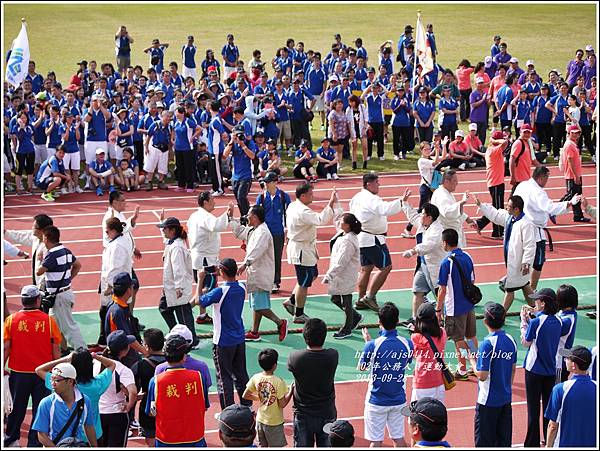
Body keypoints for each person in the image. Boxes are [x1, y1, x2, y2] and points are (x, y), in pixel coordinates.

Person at [3, 286, 62, 447]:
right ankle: (34, 443)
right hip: (42, 374)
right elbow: (56, 350)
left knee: (17, 408)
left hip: (18, 372)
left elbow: (6, 348)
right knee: (39, 409)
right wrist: (58, 371)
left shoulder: (11, 320)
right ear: (37, 300)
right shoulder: (49, 321)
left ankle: (10, 440)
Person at [196, 258, 250, 409]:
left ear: (223, 272)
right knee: (241, 373)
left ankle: (228, 409)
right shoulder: (242, 286)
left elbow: (198, 301)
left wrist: (200, 280)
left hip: (222, 341)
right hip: (239, 338)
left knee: (224, 377)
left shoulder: (220, 291)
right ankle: (247, 405)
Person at [514, 166, 581, 290]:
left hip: (520, 228)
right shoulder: (538, 192)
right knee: (537, 263)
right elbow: (549, 208)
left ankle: (507, 280)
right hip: (534, 232)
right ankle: (532, 290)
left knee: (520, 258)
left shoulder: (522, 185)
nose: (547, 181)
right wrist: (570, 203)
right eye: (547, 178)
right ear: (541, 178)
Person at [359, 302, 413, 447]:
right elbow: (406, 361)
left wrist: (367, 344)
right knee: (399, 439)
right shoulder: (408, 344)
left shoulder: (372, 345)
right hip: (398, 400)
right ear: (397, 321)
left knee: (376, 442)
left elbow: (362, 367)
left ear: (379, 322)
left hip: (376, 401)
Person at [35, 348, 117, 443]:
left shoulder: (63, 384)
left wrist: (66, 359)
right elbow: (111, 364)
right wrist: (95, 356)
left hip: (67, 439)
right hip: (94, 435)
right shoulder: (97, 385)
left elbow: (39, 370)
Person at [520, 287, 568, 447]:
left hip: (533, 370)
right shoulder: (560, 321)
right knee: (548, 409)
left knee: (533, 409)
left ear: (543, 303)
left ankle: (531, 444)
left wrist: (523, 322)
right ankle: (548, 441)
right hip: (550, 370)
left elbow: (526, 342)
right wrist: (533, 315)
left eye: (537, 300)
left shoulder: (535, 322)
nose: (534, 302)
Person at [231, 205, 288, 341]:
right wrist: (231, 218)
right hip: (255, 272)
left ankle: (280, 322)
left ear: (255, 217)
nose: (247, 217)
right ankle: (255, 331)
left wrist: (245, 263)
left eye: (249, 215)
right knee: (256, 304)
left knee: (260, 305)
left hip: (261, 272)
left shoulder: (263, 232)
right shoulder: (253, 229)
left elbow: (257, 250)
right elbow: (239, 233)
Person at [465, 302, 518, 447]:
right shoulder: (511, 340)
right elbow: (513, 369)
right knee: (503, 442)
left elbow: (482, 375)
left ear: (485, 321)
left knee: (484, 443)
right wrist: (506, 388)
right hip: (505, 399)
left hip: (487, 402)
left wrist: (472, 361)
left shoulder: (487, 344)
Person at [282, 183, 336, 323]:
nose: (313, 196)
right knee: (304, 282)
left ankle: (292, 300)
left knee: (312, 275)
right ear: (303, 195)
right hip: (302, 249)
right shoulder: (303, 211)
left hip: (303, 247)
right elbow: (321, 220)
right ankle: (299, 313)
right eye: (311, 194)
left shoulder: (293, 206)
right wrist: (330, 204)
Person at [349, 173, 402, 312]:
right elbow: (385, 209)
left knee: (366, 269)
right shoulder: (371, 199)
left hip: (362, 238)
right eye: (377, 182)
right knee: (386, 267)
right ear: (368, 184)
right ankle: (370, 296)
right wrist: (402, 201)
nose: (379, 184)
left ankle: (360, 300)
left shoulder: (356, 197)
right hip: (373, 239)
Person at [474, 194, 536, 311]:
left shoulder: (526, 224)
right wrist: (481, 205)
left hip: (519, 262)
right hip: (512, 260)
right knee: (524, 284)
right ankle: (534, 308)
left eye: (509, 206)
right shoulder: (509, 218)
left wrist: (526, 262)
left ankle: (501, 314)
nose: (507, 208)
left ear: (516, 209)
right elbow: (496, 215)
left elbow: (530, 246)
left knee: (510, 288)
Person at [146, 333, 209, 447]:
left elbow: (151, 412)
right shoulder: (198, 377)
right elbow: (204, 406)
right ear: (184, 356)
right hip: (194, 437)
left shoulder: (155, 381)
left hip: (166, 439)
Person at [287, 318, 338, 447]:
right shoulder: (332, 355)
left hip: (303, 414)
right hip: (326, 412)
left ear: (305, 336)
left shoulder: (295, 358)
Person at [436, 228, 478, 381]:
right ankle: (476, 363)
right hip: (469, 305)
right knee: (471, 336)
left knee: (458, 340)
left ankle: (463, 368)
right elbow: (472, 280)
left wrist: (438, 309)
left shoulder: (446, 263)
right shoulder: (468, 256)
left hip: (454, 308)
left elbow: (442, 289)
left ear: (445, 243)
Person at [187, 191, 234, 324]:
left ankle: (202, 315)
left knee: (201, 284)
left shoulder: (194, 216)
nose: (215, 201)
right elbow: (216, 225)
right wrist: (228, 213)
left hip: (198, 258)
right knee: (208, 289)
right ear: (205, 202)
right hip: (206, 259)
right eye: (212, 199)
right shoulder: (205, 217)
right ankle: (187, 306)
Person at [36, 225, 86, 351]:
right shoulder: (66, 251)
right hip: (64, 293)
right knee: (54, 325)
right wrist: (68, 279)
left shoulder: (51, 255)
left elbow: (39, 272)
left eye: (43, 239)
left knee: (69, 326)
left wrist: (40, 258)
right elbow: (78, 265)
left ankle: (82, 351)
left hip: (59, 297)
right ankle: (61, 349)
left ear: (47, 238)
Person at [400, 198, 445, 326]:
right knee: (418, 290)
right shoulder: (423, 224)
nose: (420, 215)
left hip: (435, 267)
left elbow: (428, 245)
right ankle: (416, 319)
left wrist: (413, 251)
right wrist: (405, 203)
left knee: (440, 295)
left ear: (429, 217)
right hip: (423, 265)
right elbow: (413, 216)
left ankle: (444, 319)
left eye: (423, 213)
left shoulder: (437, 230)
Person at [31, 363, 98, 447]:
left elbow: (89, 427)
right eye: (51, 379)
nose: (53, 383)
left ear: (70, 381)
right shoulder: (46, 403)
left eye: (57, 380)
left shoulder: (85, 401)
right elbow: (41, 435)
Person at [156, 217, 198, 348]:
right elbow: (166, 240)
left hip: (177, 287)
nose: (163, 231)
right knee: (165, 308)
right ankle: (177, 333)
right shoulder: (173, 243)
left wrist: (179, 287)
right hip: (171, 286)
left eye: (165, 228)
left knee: (183, 315)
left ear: (172, 230)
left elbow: (178, 267)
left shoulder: (177, 247)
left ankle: (191, 340)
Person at [545, 346, 597, 447]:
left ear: (574, 365)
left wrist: (548, 446)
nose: (565, 360)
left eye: (567, 358)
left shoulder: (560, 389)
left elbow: (552, 426)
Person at [323, 212, 363, 338]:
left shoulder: (348, 242)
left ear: (347, 226)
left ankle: (347, 329)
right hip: (341, 275)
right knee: (335, 298)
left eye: (341, 221)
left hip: (345, 275)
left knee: (346, 301)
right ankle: (355, 317)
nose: (338, 222)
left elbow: (342, 261)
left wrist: (330, 275)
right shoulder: (344, 234)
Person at [242, 348, 293, 447]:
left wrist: (261, 398)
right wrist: (291, 391)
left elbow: (245, 395)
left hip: (260, 420)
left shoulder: (256, 377)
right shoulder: (278, 381)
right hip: (274, 422)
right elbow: (282, 404)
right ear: (275, 365)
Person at [99, 217, 134, 346]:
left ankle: (116, 343)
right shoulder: (116, 243)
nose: (106, 234)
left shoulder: (117, 246)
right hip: (116, 287)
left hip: (117, 289)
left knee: (116, 318)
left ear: (114, 230)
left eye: (107, 231)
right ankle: (107, 341)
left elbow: (115, 269)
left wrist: (110, 286)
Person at [255, 171, 291, 293]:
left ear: (275, 182)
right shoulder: (261, 197)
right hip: (264, 233)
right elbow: (256, 215)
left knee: (276, 258)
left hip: (277, 232)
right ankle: (265, 281)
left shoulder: (283, 196)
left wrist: (289, 231)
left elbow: (289, 214)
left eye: (268, 182)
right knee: (263, 257)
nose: (265, 184)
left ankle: (275, 281)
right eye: (264, 182)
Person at [131, 328, 166, 446]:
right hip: (170, 402)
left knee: (150, 437)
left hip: (148, 405)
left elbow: (131, 387)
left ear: (147, 346)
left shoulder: (140, 365)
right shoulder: (173, 361)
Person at [431, 170, 478, 249]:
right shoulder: (441, 196)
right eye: (455, 180)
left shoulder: (446, 192)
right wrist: (461, 203)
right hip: (448, 235)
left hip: (452, 233)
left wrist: (467, 219)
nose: (457, 183)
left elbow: (454, 208)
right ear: (446, 181)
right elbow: (447, 212)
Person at [410, 303, 447, 403]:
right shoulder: (442, 333)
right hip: (439, 381)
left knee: (417, 416)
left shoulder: (416, 337)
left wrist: (414, 331)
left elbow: (414, 355)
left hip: (422, 382)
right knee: (438, 415)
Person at [475, 130, 508, 238]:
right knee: (498, 209)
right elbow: (505, 142)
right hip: (496, 183)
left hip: (496, 182)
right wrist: (495, 140)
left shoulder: (492, 150)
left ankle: (480, 223)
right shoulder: (493, 150)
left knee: (495, 207)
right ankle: (497, 232)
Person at [4, 214, 53, 286]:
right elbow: (21, 236)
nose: (32, 228)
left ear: (41, 230)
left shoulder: (49, 247)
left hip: (45, 285)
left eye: (34, 227)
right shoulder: (36, 238)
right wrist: (5, 232)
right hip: (37, 281)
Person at [223, 125, 256, 217]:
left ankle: (248, 216)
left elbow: (252, 156)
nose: (239, 136)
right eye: (237, 134)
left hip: (246, 176)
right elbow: (224, 155)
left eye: (240, 134)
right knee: (238, 199)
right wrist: (231, 142)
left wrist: (243, 145)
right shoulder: (233, 143)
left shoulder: (249, 143)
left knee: (241, 197)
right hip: (235, 177)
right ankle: (244, 216)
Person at [560, 124, 591, 222]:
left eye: (578, 133)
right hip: (572, 175)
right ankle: (554, 211)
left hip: (575, 174)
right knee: (570, 196)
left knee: (577, 196)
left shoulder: (572, 144)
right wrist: (575, 176)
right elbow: (570, 161)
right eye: (574, 133)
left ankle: (578, 215)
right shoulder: (569, 145)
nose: (576, 135)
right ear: (569, 133)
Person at [556, 284, 579, 383]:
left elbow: (550, 333)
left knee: (556, 388)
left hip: (560, 361)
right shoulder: (570, 313)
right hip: (562, 356)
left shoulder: (566, 321)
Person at [508, 124, 540, 194]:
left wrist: (542, 168)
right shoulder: (518, 143)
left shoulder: (528, 143)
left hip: (525, 178)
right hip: (519, 179)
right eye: (524, 132)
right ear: (520, 132)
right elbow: (512, 160)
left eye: (528, 132)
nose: (527, 134)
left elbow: (533, 160)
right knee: (514, 202)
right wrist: (513, 176)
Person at [143, 110, 171, 191]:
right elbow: (148, 136)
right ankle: (149, 182)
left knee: (163, 166)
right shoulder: (155, 124)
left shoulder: (169, 126)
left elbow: (170, 139)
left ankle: (161, 182)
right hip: (154, 147)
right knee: (151, 166)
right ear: (162, 116)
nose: (168, 118)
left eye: (169, 117)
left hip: (164, 148)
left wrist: (170, 151)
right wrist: (146, 147)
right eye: (167, 116)